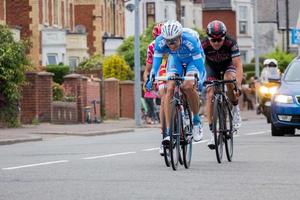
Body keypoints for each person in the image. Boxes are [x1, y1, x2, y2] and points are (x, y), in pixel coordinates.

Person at [146, 20, 206, 145]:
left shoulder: (190, 40)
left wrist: (200, 79)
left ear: (180, 36)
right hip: (176, 60)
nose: (171, 44)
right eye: (168, 41)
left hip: (192, 61)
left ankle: (196, 120)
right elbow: (155, 66)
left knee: (188, 86)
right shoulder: (160, 42)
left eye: (174, 41)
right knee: (170, 87)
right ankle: (168, 131)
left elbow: (200, 67)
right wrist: (152, 76)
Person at [201, 20, 243, 149]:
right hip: (211, 67)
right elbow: (198, 62)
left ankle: (235, 108)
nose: (217, 43)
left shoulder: (231, 42)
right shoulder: (203, 44)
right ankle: (212, 131)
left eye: (220, 40)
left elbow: (238, 65)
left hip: (227, 66)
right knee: (210, 92)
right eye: (213, 40)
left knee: (229, 79)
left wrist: (238, 84)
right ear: (209, 38)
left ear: (224, 37)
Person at [143, 23, 167, 155]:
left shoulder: (174, 42)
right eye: (158, 38)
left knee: (184, 86)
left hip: (176, 64)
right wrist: (147, 80)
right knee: (164, 96)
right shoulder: (152, 47)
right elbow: (148, 69)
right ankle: (165, 136)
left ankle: (187, 115)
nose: (161, 42)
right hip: (161, 70)